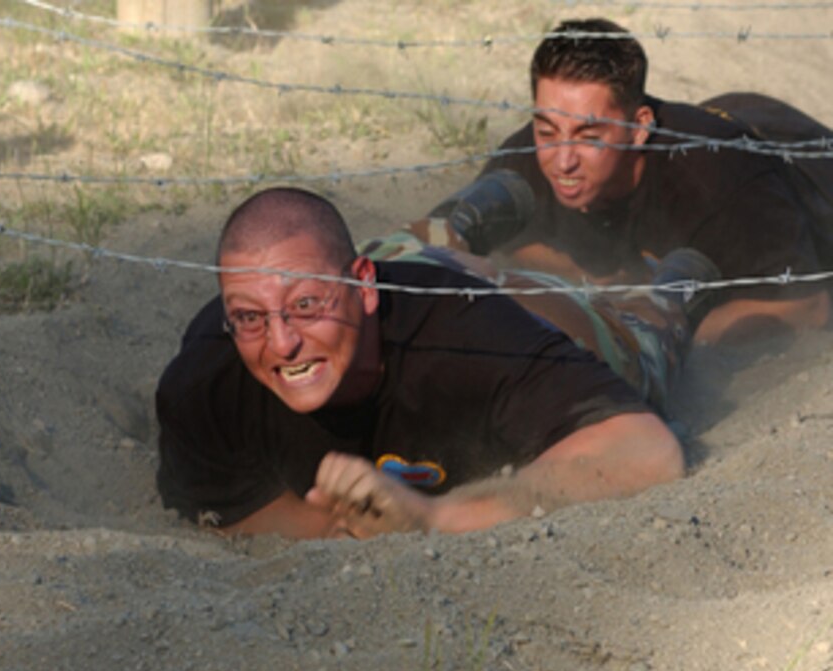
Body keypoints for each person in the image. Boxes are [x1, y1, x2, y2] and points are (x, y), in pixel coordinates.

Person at [156, 187, 685, 540]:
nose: (281, 343)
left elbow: (647, 452)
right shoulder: (205, 385)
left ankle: (675, 292)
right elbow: (238, 513)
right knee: (401, 254)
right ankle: (459, 220)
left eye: (305, 306)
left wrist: (433, 517)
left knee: (619, 339)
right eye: (248, 317)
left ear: (362, 287)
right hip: (390, 275)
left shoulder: (467, 340)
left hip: (511, 316)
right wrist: (343, 522)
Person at [435, 17, 833, 344]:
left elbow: (809, 308)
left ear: (639, 127)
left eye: (590, 137)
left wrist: (644, 324)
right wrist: (594, 284)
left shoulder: (719, 184)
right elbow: (445, 241)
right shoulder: (531, 156)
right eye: (547, 131)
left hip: (804, 163)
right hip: (722, 112)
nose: (563, 161)